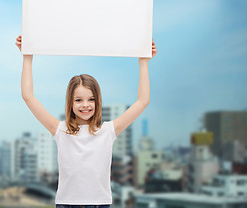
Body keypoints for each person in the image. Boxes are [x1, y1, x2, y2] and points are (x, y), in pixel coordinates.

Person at [15, 35, 157, 208]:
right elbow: (28, 97)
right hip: (66, 204)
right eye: (78, 100)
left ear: (98, 101)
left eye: (91, 99)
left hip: (100, 204)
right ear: (70, 103)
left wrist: (143, 63)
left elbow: (142, 101)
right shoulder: (60, 130)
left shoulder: (108, 130)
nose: (85, 105)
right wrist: (27, 57)